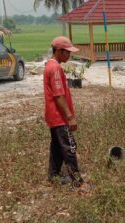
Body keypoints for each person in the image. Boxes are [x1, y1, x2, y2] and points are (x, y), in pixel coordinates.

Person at [43, 36, 84, 187]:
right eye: (67, 52)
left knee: (57, 147)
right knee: (69, 147)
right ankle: (77, 182)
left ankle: (53, 176)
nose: (69, 55)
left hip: (53, 116)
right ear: (59, 51)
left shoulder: (50, 65)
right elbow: (58, 95)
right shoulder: (55, 68)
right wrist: (70, 117)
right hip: (59, 117)